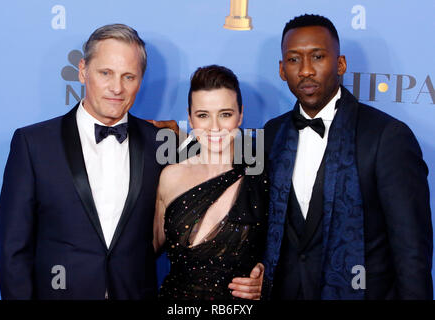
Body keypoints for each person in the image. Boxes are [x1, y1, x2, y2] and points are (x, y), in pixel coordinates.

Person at [231, 14, 433, 299]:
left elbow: (412, 252)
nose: (305, 71)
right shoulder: (272, 134)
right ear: (281, 69)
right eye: (293, 60)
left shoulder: (387, 137)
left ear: (340, 64)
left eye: (317, 57)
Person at [0, 24, 165, 299]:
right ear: (83, 70)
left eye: (129, 77)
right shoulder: (34, 144)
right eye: (105, 73)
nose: (116, 88)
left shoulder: (160, 144)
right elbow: (13, 249)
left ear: (141, 80)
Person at [153, 65, 268, 300]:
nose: (214, 128)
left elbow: (293, 247)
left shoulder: (264, 176)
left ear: (240, 114)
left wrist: (269, 277)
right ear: (189, 116)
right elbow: (144, 249)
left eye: (225, 114)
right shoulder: (170, 175)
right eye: (203, 115)